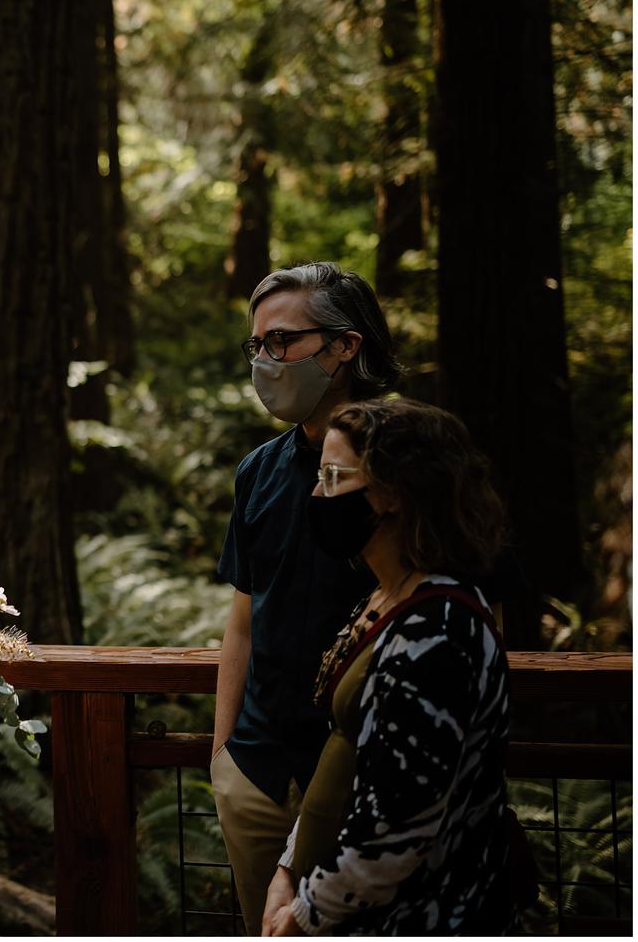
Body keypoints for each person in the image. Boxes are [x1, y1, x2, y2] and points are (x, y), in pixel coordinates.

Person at [262, 398, 513, 935]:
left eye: (333, 476)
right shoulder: (386, 597)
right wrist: (288, 871)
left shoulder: (438, 632)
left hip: (422, 918)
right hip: (338, 895)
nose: (316, 493)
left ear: (395, 492)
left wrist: (305, 915)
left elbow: (397, 833)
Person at [212, 263, 403, 933]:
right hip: (258, 775)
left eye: (283, 341)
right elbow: (242, 622)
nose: (266, 360)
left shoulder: (414, 459)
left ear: (345, 345)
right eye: (256, 345)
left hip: (373, 778)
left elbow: (469, 602)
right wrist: (223, 757)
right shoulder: (258, 471)